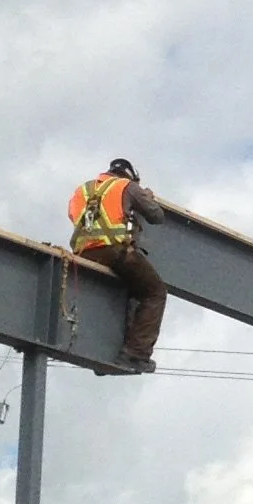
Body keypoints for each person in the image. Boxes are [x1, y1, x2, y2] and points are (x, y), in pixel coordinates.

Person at [69, 156, 167, 372]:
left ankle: (105, 350)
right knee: (155, 292)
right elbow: (156, 215)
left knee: (128, 289)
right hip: (114, 252)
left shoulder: (82, 190)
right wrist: (146, 197)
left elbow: (73, 215)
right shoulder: (127, 186)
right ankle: (136, 353)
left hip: (84, 253)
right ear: (130, 175)